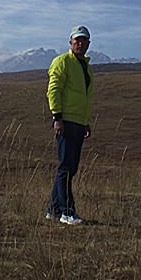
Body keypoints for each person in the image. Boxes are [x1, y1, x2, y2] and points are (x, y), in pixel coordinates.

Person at [45, 25, 95, 225]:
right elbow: (53, 89)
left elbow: (85, 97)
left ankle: (53, 209)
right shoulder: (62, 62)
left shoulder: (87, 67)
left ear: (88, 44)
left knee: (70, 167)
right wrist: (57, 117)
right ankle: (67, 212)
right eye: (77, 40)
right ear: (70, 42)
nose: (80, 43)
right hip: (66, 121)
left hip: (78, 122)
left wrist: (85, 122)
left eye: (83, 40)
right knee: (66, 167)